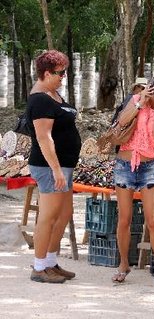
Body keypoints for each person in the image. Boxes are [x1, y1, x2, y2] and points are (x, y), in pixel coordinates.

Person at [112, 66, 154, 287]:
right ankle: (123, 264)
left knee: (153, 220)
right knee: (124, 219)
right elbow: (121, 122)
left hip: (148, 167)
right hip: (124, 164)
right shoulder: (136, 98)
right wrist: (140, 103)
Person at [26, 50, 82, 283]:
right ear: (46, 73)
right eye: (60, 73)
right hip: (50, 166)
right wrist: (56, 169)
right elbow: (44, 137)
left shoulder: (53, 94)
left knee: (64, 214)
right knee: (48, 217)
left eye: (65, 72)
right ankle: (39, 267)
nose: (64, 77)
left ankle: (50, 262)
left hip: (64, 165)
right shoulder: (39, 99)